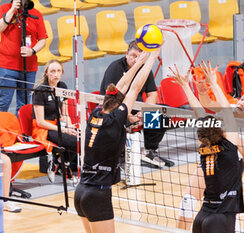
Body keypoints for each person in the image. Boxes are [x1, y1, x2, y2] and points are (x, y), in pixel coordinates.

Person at [170, 61, 244, 233]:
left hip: (228, 166)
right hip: (211, 160)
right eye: (242, 98)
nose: (241, 103)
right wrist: (202, 90)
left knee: (224, 215)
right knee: (188, 202)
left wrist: (230, 137)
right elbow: (205, 105)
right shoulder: (230, 108)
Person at [74, 49, 159, 233]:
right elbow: (134, 88)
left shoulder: (96, 113)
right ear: (120, 107)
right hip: (97, 194)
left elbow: (121, 86)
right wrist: (151, 57)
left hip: (81, 191)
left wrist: (136, 64)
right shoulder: (115, 120)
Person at [100, 40, 173, 168]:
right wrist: (127, 116)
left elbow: (152, 94)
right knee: (121, 121)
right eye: (133, 56)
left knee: (164, 114)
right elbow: (111, 100)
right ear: (126, 54)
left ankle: (150, 151)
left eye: (140, 57)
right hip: (116, 111)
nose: (136, 60)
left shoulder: (144, 69)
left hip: (137, 110)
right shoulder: (115, 68)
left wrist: (143, 112)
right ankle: (120, 156)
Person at [31, 60, 77, 183]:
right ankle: (63, 164)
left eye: (58, 71)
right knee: (73, 141)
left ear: (62, 73)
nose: (55, 74)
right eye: (52, 71)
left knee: (80, 137)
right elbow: (40, 122)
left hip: (58, 125)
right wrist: (64, 129)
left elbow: (65, 113)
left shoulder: (62, 86)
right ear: (46, 73)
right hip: (44, 129)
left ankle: (61, 163)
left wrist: (70, 126)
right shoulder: (40, 90)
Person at [0, 0, 47, 113]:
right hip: (7, 66)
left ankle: (22, 130)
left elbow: (42, 39)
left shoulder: (36, 13)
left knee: (24, 105)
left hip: (29, 68)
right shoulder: (5, 9)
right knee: (3, 102)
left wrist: (33, 50)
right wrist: (12, 10)